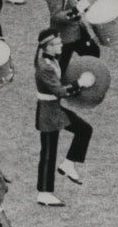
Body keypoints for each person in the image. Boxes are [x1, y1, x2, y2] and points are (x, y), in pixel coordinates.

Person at [33, 28, 94, 205]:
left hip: (53, 108)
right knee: (48, 152)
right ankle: (44, 192)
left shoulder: (50, 61)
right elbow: (59, 91)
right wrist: (79, 84)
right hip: (49, 111)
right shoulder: (45, 67)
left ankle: (68, 163)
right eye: (57, 44)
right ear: (47, 47)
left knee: (84, 130)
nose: (61, 45)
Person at [45, 0, 99, 74]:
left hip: (77, 30)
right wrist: (76, 10)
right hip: (65, 36)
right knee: (60, 69)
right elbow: (56, 15)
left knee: (93, 53)